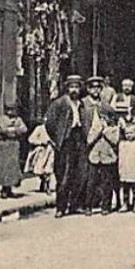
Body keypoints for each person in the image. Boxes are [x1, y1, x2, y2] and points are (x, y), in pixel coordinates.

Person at [44, 74, 87, 217]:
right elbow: (49, 123)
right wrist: (57, 139)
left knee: (79, 173)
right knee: (64, 175)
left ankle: (74, 205)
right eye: (71, 87)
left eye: (76, 87)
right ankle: (60, 207)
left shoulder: (81, 104)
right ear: (67, 88)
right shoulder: (59, 103)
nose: (74, 90)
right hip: (65, 141)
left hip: (79, 138)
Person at [85, 99, 123, 214]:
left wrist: (105, 130)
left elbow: (115, 141)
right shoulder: (95, 128)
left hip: (108, 158)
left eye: (106, 117)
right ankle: (88, 206)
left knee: (107, 182)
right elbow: (89, 140)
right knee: (91, 182)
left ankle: (106, 206)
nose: (103, 119)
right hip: (95, 157)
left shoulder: (113, 129)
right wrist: (97, 131)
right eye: (101, 117)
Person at [0, 102, 28, 199]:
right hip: (4, 145)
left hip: (14, 145)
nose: (10, 111)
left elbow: (24, 129)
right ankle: (4, 189)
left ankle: (9, 189)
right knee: (4, 167)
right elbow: (3, 130)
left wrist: (12, 129)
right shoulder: (2, 118)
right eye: (8, 109)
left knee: (12, 168)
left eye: (12, 109)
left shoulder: (18, 119)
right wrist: (15, 129)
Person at [118, 118, 135, 212]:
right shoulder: (122, 144)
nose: (129, 135)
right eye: (127, 133)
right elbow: (120, 156)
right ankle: (125, 203)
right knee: (125, 188)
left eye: (131, 133)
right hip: (124, 170)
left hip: (134, 169)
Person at [25, 122, 54, 193]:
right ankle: (43, 182)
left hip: (50, 150)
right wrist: (40, 142)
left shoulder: (54, 129)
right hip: (41, 152)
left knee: (48, 168)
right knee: (40, 169)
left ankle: (47, 186)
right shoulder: (39, 128)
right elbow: (31, 139)